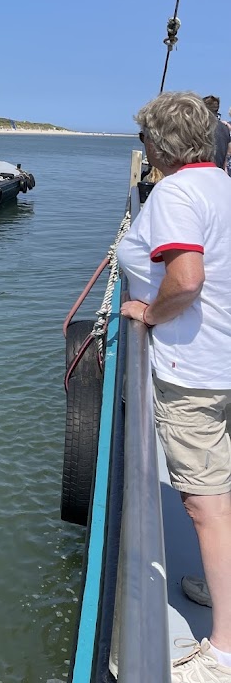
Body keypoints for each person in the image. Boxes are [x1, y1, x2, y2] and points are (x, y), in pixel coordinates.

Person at [118, 91, 231, 680]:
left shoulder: (175, 191)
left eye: (144, 139)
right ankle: (224, 588)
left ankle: (223, 651)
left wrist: (149, 314)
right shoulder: (221, 183)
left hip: (199, 372)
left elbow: (185, 278)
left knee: (204, 503)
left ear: (158, 146)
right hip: (225, 361)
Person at [203, 95, 231, 173]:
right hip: (219, 172)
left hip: (204, 172)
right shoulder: (225, 128)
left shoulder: (201, 127)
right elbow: (226, 156)